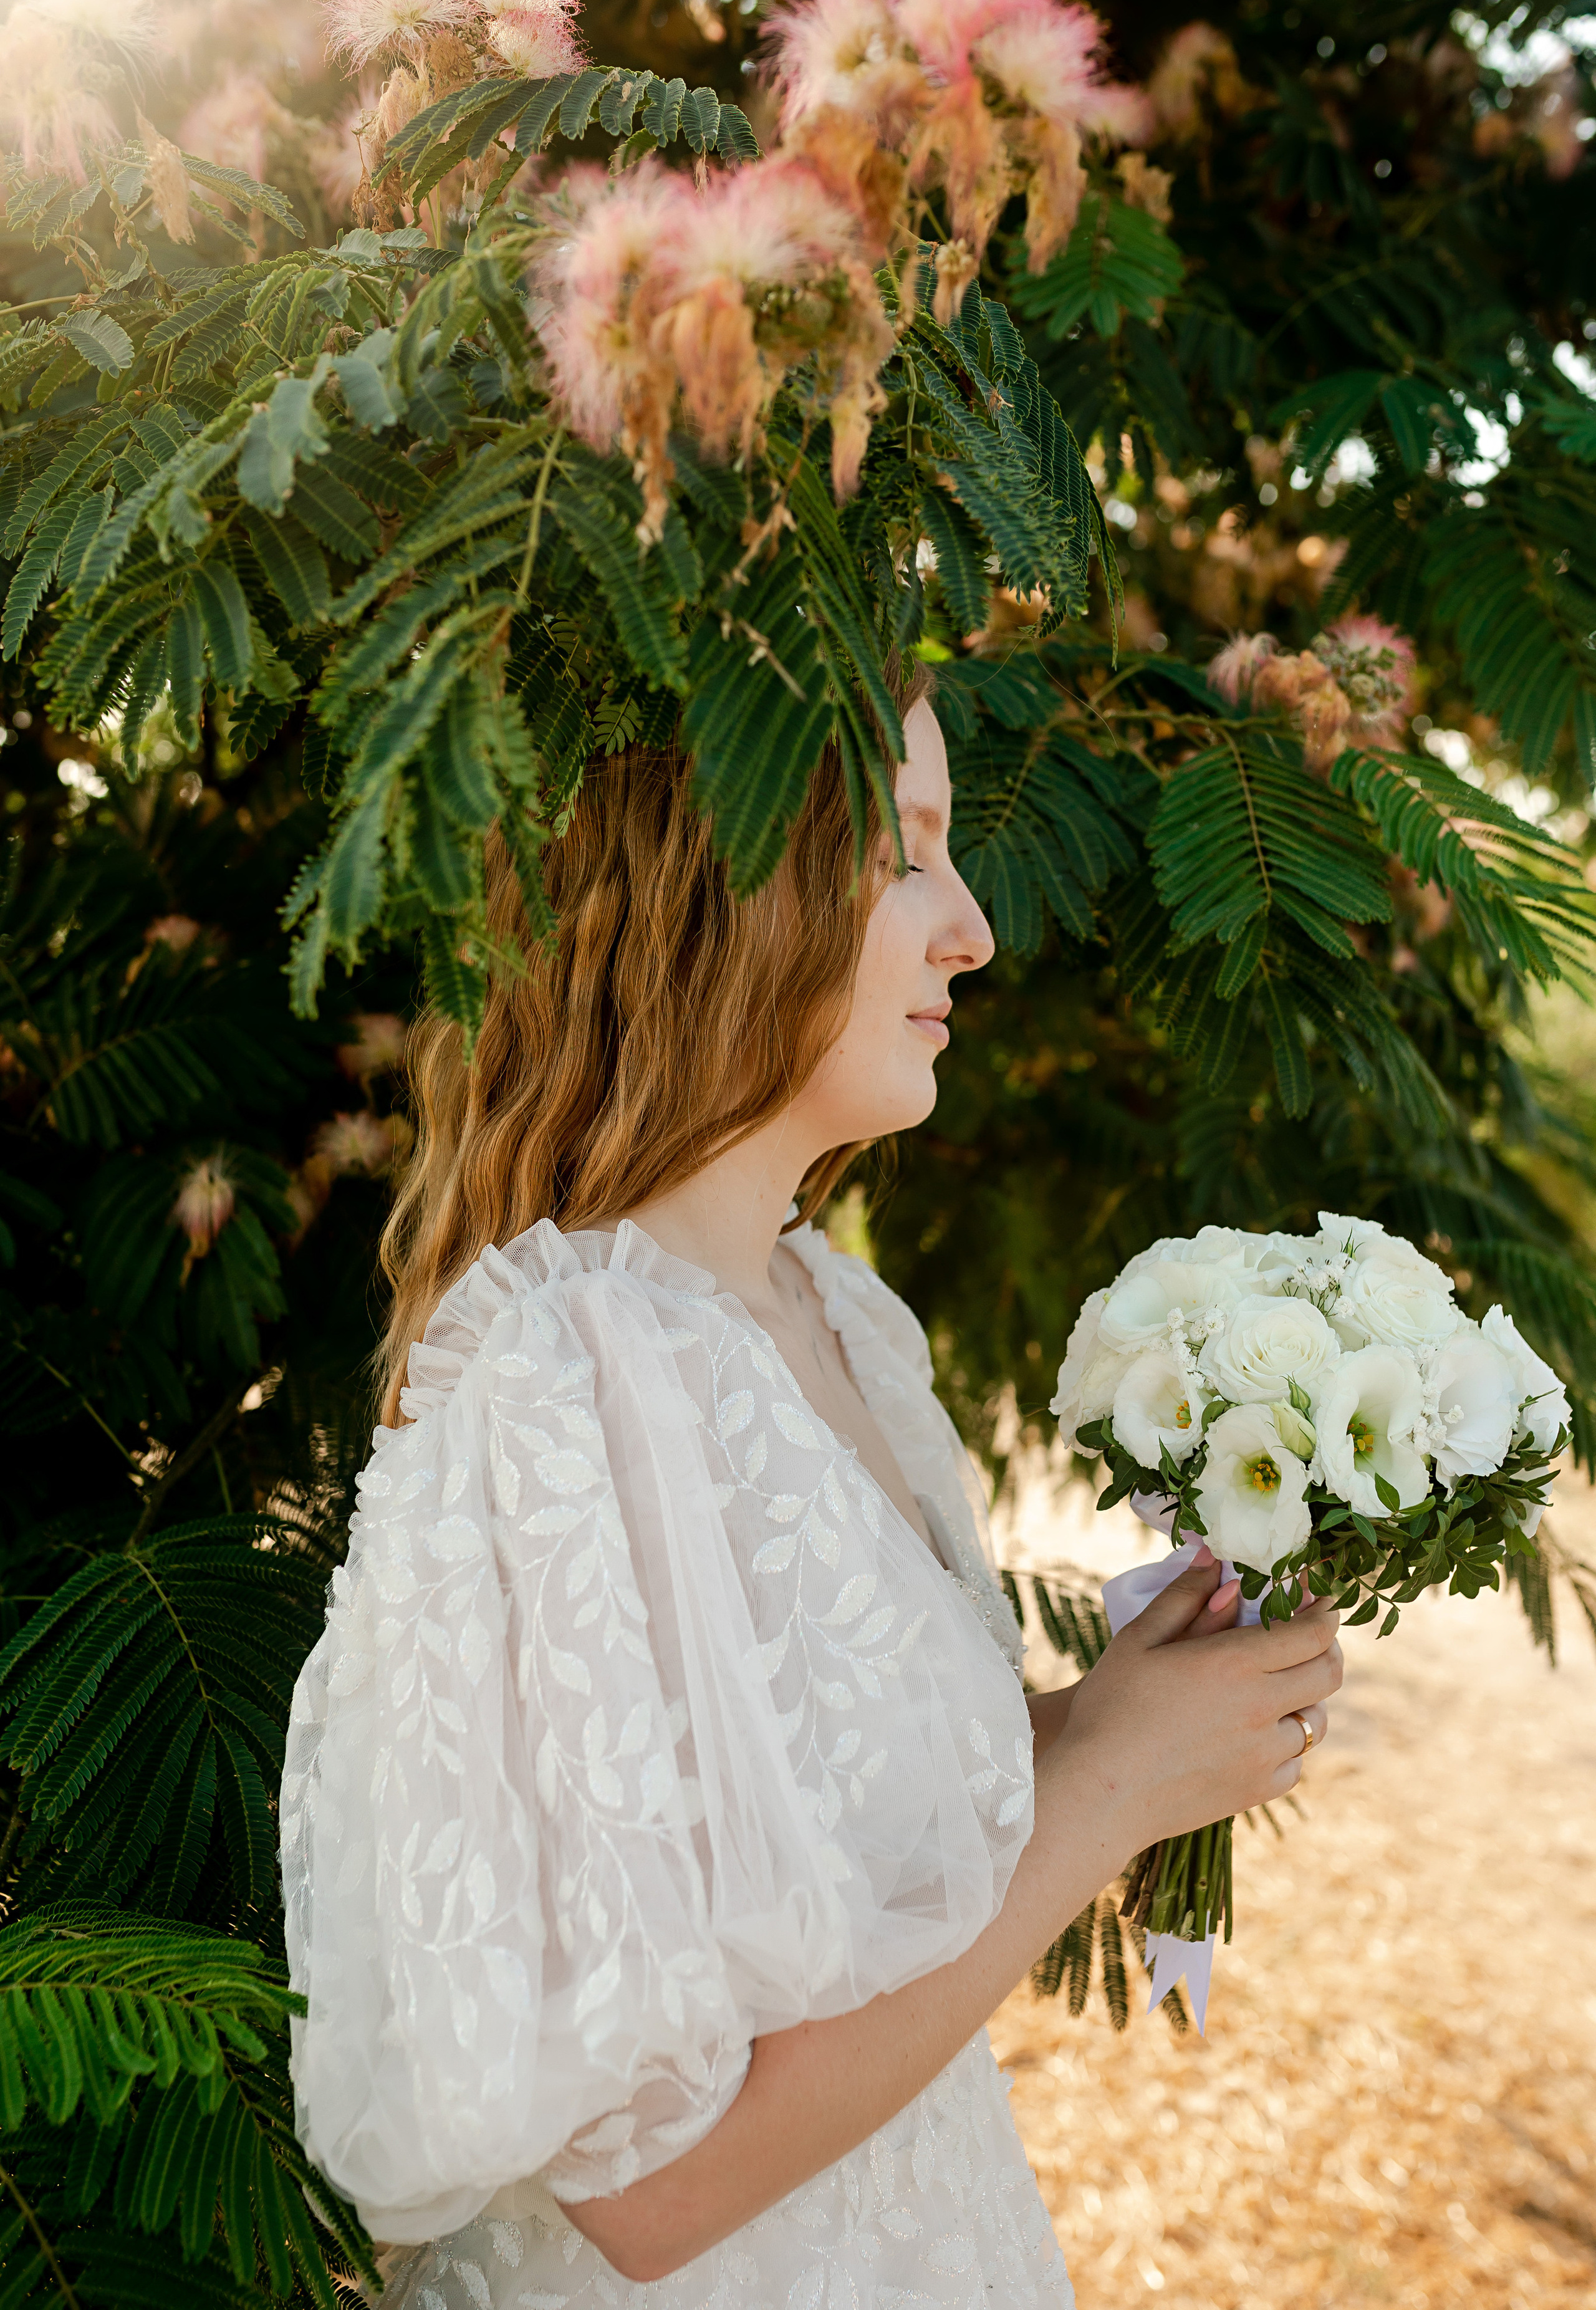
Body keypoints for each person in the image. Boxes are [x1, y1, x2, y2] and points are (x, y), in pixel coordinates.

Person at [281, 678, 1342, 2308]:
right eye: (906, 851)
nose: (973, 928)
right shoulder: (558, 1371)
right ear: (725, 889)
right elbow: (645, 2176)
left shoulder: (836, 1309)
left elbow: (816, 1854)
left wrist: (1122, 1716)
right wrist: (1109, 1793)